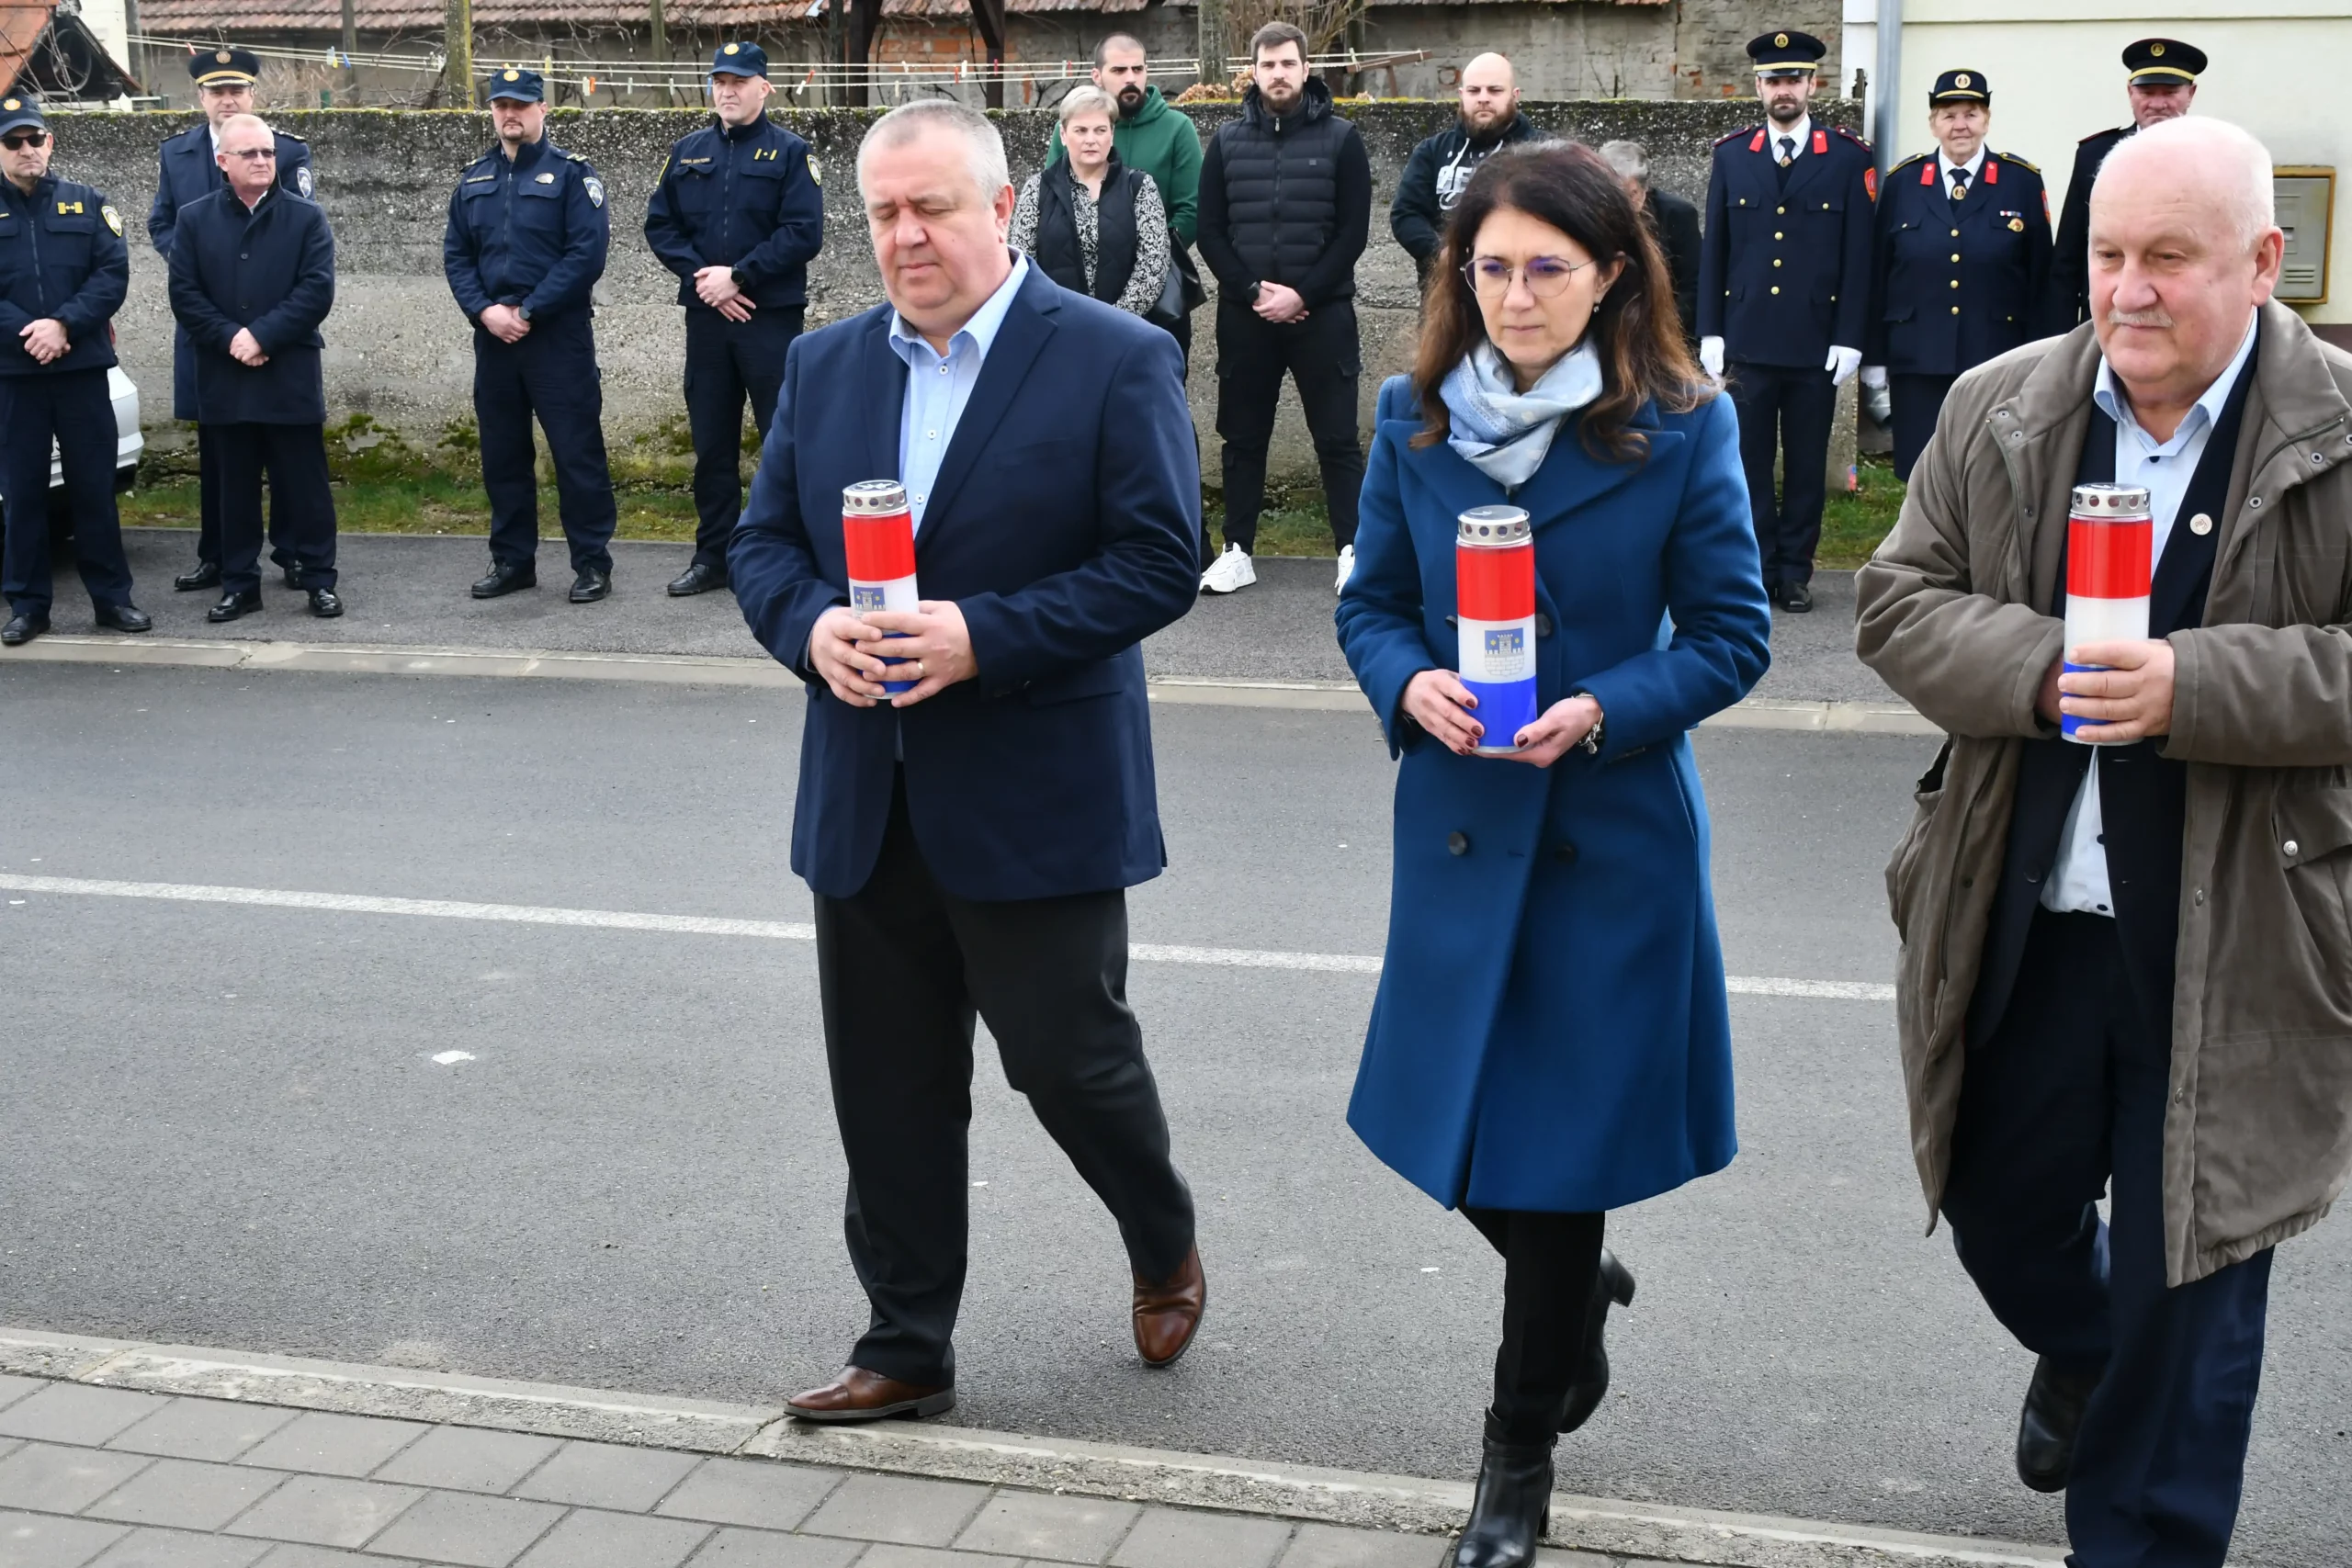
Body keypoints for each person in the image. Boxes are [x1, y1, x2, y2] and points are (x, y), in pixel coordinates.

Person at [1855, 117, 2352, 1568]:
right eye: (2108, 256)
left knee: (2189, 1293)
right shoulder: (2005, 405)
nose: (2128, 290)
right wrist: (2047, 663)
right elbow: (1897, 601)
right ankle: (2086, 1347)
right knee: (2004, 1213)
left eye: (2169, 260)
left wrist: (2197, 686)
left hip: (2246, 938)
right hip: (2029, 921)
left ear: (2265, 265)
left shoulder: (2337, 430)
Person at [728, 99, 1207, 1423]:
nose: (906, 235)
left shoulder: (1112, 356)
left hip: (1035, 789)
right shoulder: (828, 367)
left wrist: (982, 636)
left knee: (1071, 1061)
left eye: (931, 206)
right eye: (884, 213)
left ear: (1004, 207)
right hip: (866, 795)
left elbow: (1160, 559)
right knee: (889, 1084)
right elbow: (762, 545)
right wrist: (810, 625)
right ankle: (906, 1340)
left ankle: (1160, 1232)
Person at [1336, 141, 1770, 1568]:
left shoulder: (1683, 424)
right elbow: (1372, 605)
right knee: (1458, 1133)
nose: (1517, 294)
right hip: (1462, 825)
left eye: (1550, 268)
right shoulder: (1409, 419)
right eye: (1493, 265)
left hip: (1609, 836)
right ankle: (1573, 1290)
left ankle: (1514, 1463)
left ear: (1610, 278)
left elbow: (1729, 638)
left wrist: (1600, 708)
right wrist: (1408, 684)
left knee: (1564, 1156)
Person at [1696, 28, 1875, 615]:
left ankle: (1796, 571)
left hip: (1814, 343)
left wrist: (1851, 336)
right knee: (1746, 464)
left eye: (1793, 79)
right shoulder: (1731, 154)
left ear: (1812, 85)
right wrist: (1711, 329)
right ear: (1758, 87)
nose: (1784, 90)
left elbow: (1859, 257)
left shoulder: (1848, 157)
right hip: (1746, 338)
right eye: (1774, 80)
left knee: (1804, 465)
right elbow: (1715, 248)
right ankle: (1758, 566)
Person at [1195, 21, 1372, 597]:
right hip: (1246, 319)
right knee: (1242, 439)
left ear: (1305, 69)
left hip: (1323, 317)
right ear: (1254, 70)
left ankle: (1352, 549)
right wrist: (1254, 293)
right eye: (1267, 65)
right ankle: (1238, 550)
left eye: (1287, 64)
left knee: (1338, 439)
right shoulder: (1224, 142)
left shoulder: (1343, 139)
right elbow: (1210, 232)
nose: (1277, 74)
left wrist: (1304, 295)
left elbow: (1353, 233)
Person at [644, 42, 824, 600]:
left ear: (764, 88)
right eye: (719, 80)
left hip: (767, 319)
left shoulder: (792, 154)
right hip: (708, 319)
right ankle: (714, 557)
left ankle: (788, 556)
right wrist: (708, 281)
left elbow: (802, 233)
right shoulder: (687, 152)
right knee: (712, 444)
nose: (727, 90)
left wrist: (739, 278)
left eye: (740, 81)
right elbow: (660, 227)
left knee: (782, 440)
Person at [444, 67, 616, 604]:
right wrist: (485, 312)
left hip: (556, 339)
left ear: (542, 109)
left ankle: (592, 563)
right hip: (494, 338)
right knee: (503, 455)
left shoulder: (572, 176)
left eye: (520, 104)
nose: (509, 114)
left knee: (576, 453)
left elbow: (585, 255)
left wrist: (530, 310)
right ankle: (513, 561)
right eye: (500, 105)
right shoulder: (472, 179)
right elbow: (456, 256)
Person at [147, 46, 315, 597]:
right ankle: (218, 556)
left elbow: (299, 239)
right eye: (217, 91)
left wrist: (263, 330)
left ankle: (292, 554)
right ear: (201, 98)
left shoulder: (284, 151)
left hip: (274, 327)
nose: (227, 99)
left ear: (251, 95)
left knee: (286, 450)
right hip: (207, 326)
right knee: (220, 453)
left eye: (236, 90)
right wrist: (200, 269)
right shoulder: (177, 154)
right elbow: (163, 223)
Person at [167, 114, 342, 623]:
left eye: (268, 152)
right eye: (250, 154)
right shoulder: (195, 219)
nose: (263, 161)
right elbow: (185, 294)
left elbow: (315, 291)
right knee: (234, 490)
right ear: (224, 162)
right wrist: (232, 340)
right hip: (226, 376)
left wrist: (262, 336)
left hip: (287, 372)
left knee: (305, 487)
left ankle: (318, 580)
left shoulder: (306, 217)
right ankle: (240, 584)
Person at [0, 96, 144, 647]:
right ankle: (29, 606)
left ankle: (112, 600)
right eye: (13, 141)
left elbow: (112, 276)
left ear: (50, 143)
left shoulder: (88, 205)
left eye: (35, 138)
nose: (27, 149)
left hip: (82, 370)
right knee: (23, 495)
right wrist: (29, 333)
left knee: (93, 490)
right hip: (16, 378)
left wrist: (61, 325)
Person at [1860, 70, 2052, 480]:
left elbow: (2042, 281)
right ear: (1933, 124)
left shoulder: (2021, 182)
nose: (1960, 125)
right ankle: (1920, 546)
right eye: (1948, 115)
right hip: (1918, 358)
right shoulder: (1902, 182)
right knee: (1922, 470)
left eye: (1971, 113)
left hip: (1998, 359)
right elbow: (1878, 274)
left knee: (1993, 471)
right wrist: (1874, 356)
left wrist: (2043, 358)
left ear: (1986, 120)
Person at [1048, 34, 1204, 365]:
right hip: (1081, 297)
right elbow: (1053, 202)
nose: (1131, 78)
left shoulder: (1178, 129)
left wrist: (1145, 261)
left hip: (1158, 296)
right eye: (1119, 70)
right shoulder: (1071, 131)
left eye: (1138, 68)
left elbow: (1192, 210)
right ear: (1097, 76)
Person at [2047, 39, 2203, 334]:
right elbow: (2069, 257)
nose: (2158, 104)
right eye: (2146, 92)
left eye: (2170, 92)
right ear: (2130, 92)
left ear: (2191, 93)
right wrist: (2060, 338)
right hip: (2109, 315)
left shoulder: (2213, 158)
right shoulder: (2094, 155)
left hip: (2184, 317)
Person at [1012, 86, 1171, 321]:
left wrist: (1111, 321)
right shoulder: (1037, 189)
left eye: (1100, 130)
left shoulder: (1140, 187)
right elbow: (1023, 266)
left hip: (1124, 331)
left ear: (1112, 134)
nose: (1091, 140)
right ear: (1064, 135)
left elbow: (1153, 266)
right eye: (1081, 130)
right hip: (1056, 328)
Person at [1391, 53, 1539, 288]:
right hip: (1445, 294)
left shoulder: (1544, 153)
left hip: (1518, 290)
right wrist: (1442, 254)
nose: (1483, 99)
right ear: (1461, 96)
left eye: (1494, 90)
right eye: (1474, 91)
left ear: (1515, 95)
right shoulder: (1431, 151)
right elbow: (1406, 214)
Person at [1597, 140, 1699, 349]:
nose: (1623, 205)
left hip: (1664, 330)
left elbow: (1694, 283)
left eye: (1631, 194)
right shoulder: (1588, 213)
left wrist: (1660, 327)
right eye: (1614, 195)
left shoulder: (1677, 214)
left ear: (1644, 188)